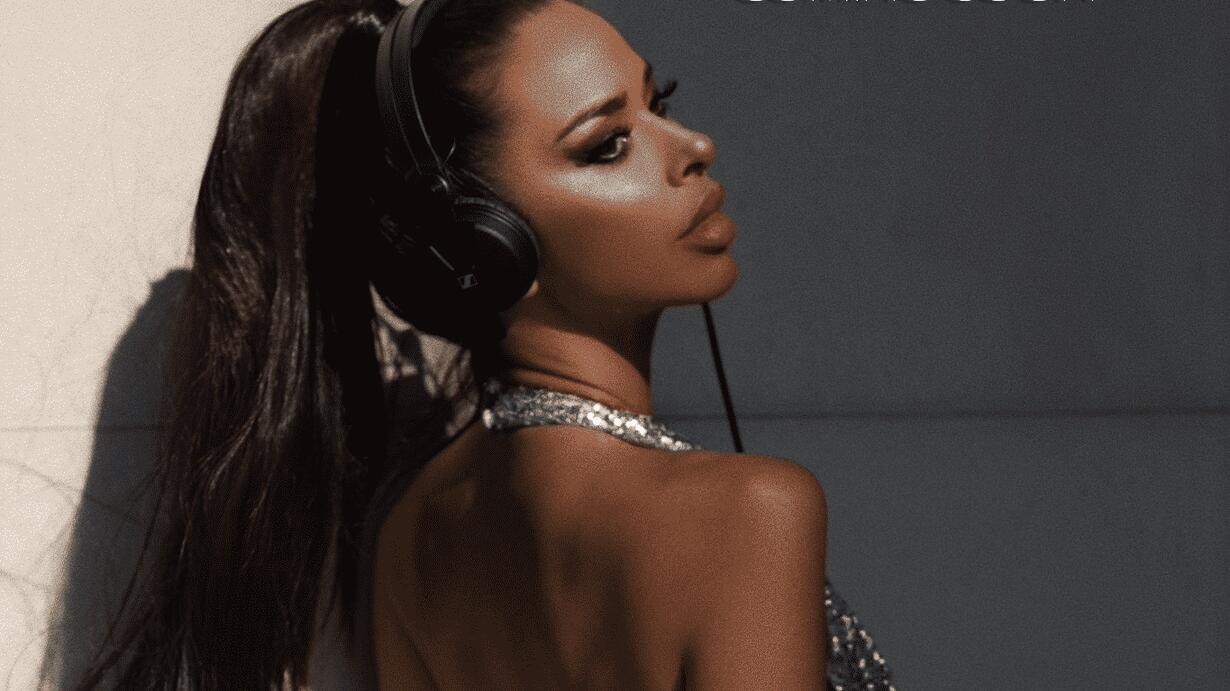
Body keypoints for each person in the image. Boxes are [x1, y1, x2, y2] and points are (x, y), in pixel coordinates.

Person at [68, 0, 894, 689]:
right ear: (483, 243)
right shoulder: (752, 513)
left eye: (660, 103)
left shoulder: (407, 538)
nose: (692, 148)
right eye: (607, 144)